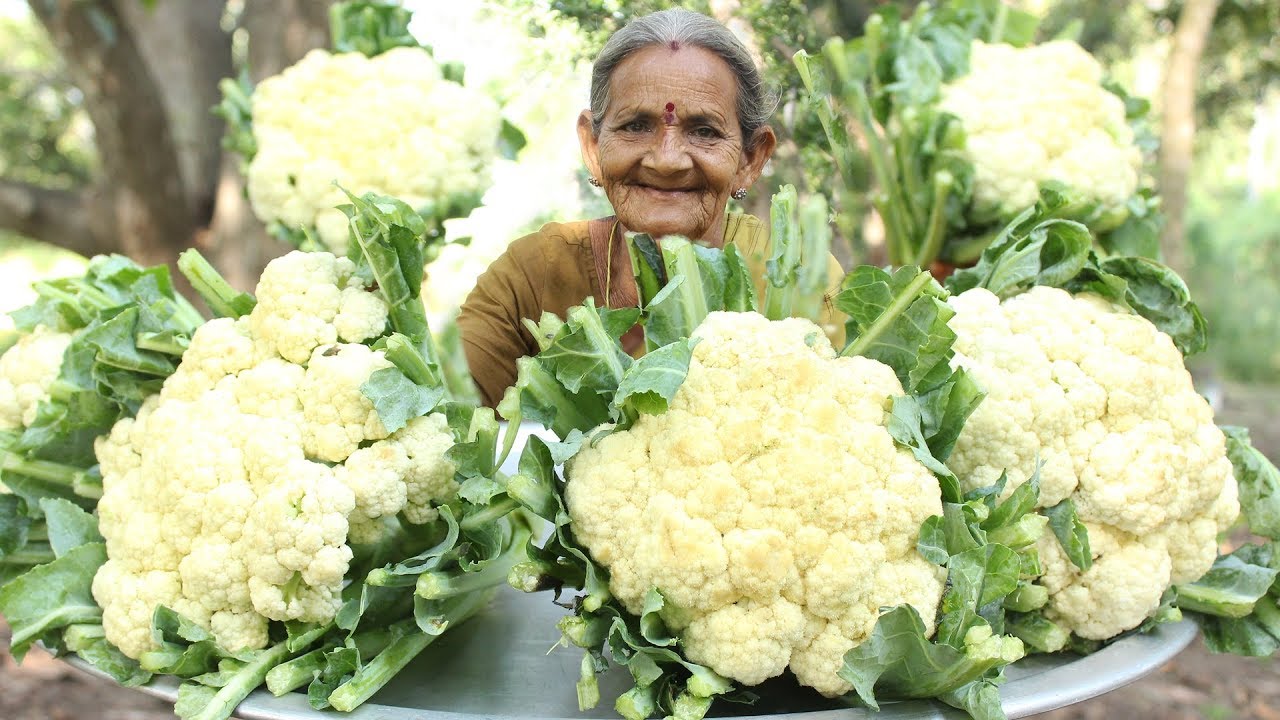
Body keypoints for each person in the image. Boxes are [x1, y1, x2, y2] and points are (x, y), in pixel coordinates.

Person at [458, 8, 843, 408]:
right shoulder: (533, 277)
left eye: (704, 131)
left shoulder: (798, 277)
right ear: (593, 147)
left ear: (750, 160)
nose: (666, 159)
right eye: (636, 126)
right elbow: (445, 405)